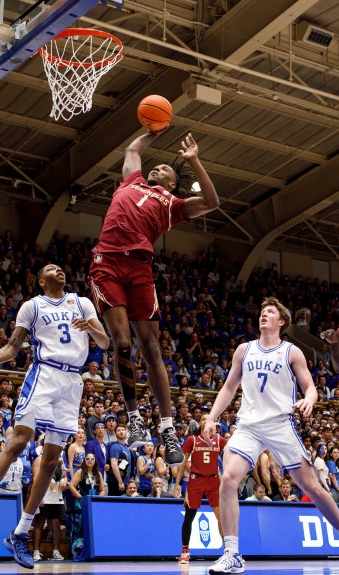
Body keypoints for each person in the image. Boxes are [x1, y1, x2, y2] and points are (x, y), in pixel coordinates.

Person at [0, 264, 109, 569]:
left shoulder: (82, 302)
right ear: (40, 280)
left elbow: (104, 342)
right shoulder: (33, 306)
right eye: (51, 268)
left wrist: (91, 327)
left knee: (52, 460)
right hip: (44, 374)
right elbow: (13, 348)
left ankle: (20, 534)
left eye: (62, 268)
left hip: (72, 383)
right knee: (19, 441)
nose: (60, 270)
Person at [204, 297, 339, 575]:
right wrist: (211, 417)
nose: (263, 315)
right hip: (248, 425)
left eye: (269, 312)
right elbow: (228, 387)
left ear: (281, 322)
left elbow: (310, 387)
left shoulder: (291, 351)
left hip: (280, 424)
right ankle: (232, 553)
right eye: (262, 311)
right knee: (228, 479)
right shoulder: (244, 350)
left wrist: (309, 399)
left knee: (314, 488)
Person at [88, 129, 219, 466]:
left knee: (151, 347)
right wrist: (151, 129)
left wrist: (194, 161)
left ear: (173, 183)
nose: (158, 167)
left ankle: (167, 428)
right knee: (121, 341)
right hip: (107, 263)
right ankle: (133, 417)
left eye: (165, 169)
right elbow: (132, 148)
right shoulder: (130, 180)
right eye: (156, 166)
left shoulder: (173, 204)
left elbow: (212, 202)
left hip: (140, 268)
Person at [174, 412, 226, 565]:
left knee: (221, 517)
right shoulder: (192, 440)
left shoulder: (219, 440)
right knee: (189, 517)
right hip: (195, 480)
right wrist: (177, 483)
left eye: (209, 420)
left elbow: (228, 458)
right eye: (203, 419)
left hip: (213, 480)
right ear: (199, 423)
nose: (206, 422)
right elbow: (183, 463)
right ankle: (185, 551)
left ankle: (228, 551)